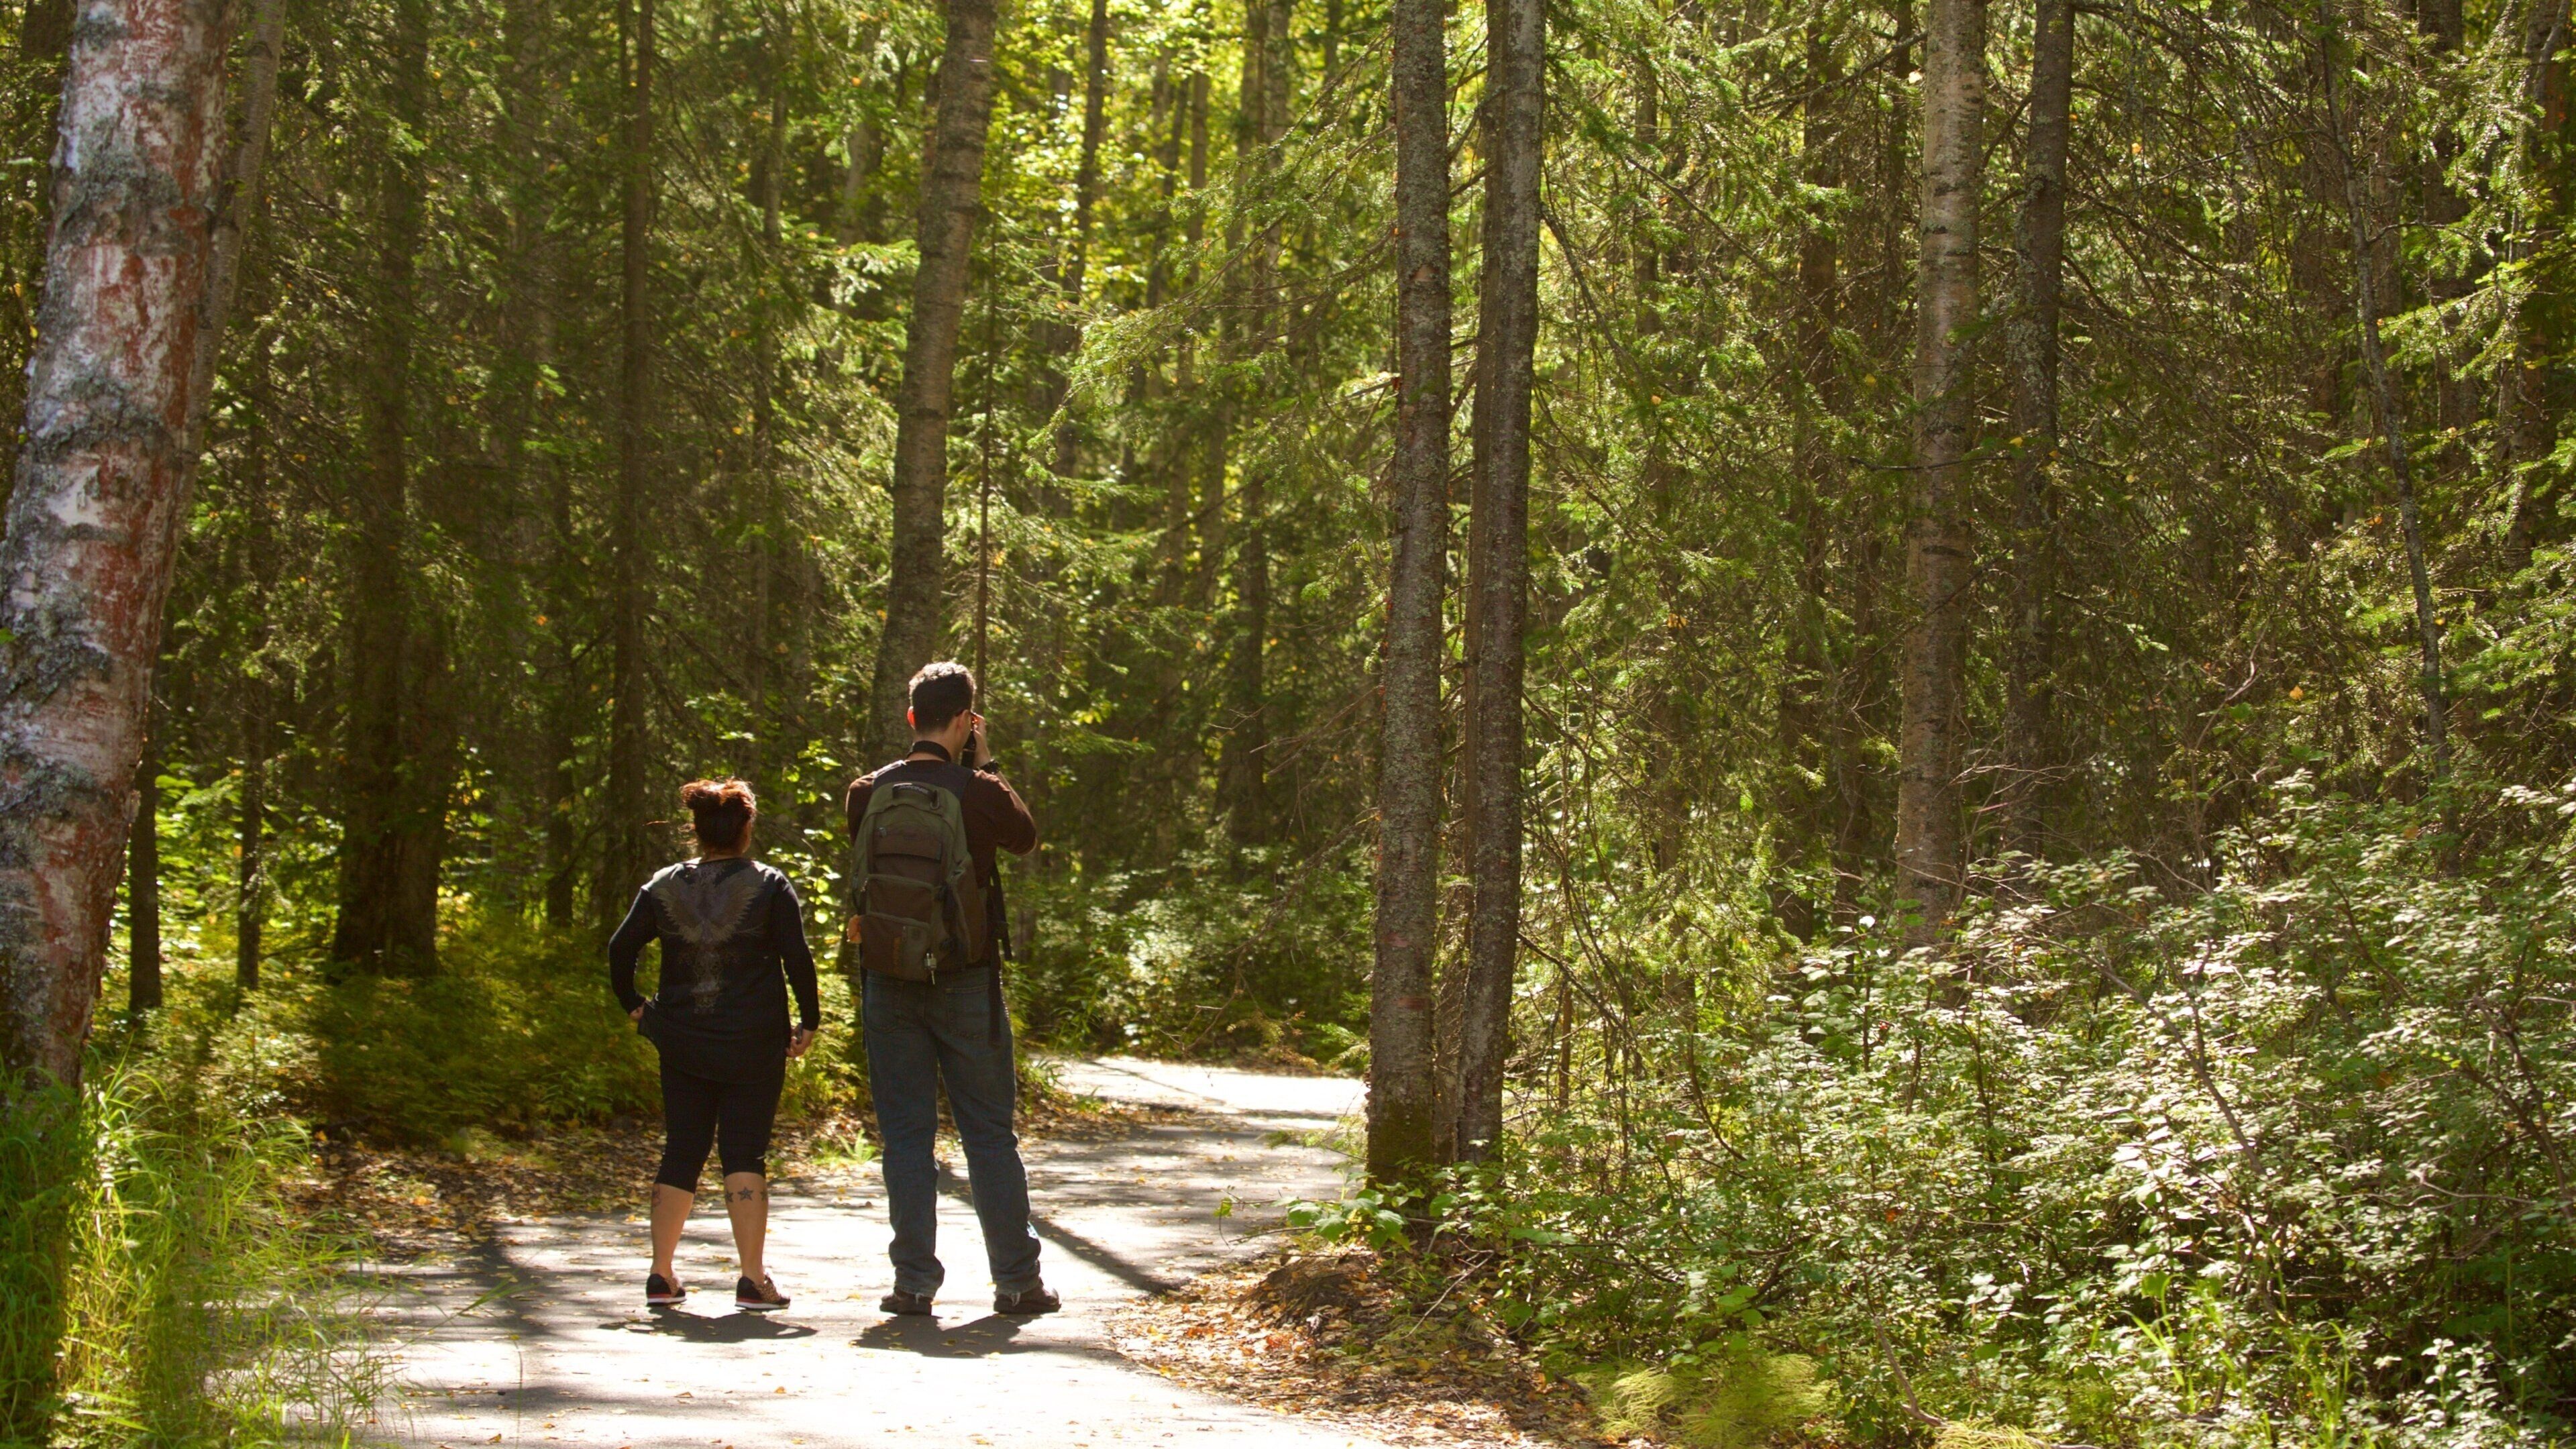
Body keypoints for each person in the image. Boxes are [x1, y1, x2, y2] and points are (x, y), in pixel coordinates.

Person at [845, 661, 1056, 1317]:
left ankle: (913, 1283)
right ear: (966, 721)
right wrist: (987, 763)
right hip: (965, 977)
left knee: (906, 1135)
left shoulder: (865, 792)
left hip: (889, 977)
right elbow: (1024, 837)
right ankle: (1016, 1283)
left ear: (912, 718)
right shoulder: (977, 790)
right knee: (988, 1133)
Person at [608, 778, 820, 1312]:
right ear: (746, 829)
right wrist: (809, 1022)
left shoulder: (663, 885)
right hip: (754, 1040)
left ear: (698, 831)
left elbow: (620, 946)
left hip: (682, 1038)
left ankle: (661, 1275)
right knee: (744, 1151)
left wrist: (633, 1003)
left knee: (682, 1147)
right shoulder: (771, 885)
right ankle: (751, 1280)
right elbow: (798, 960)